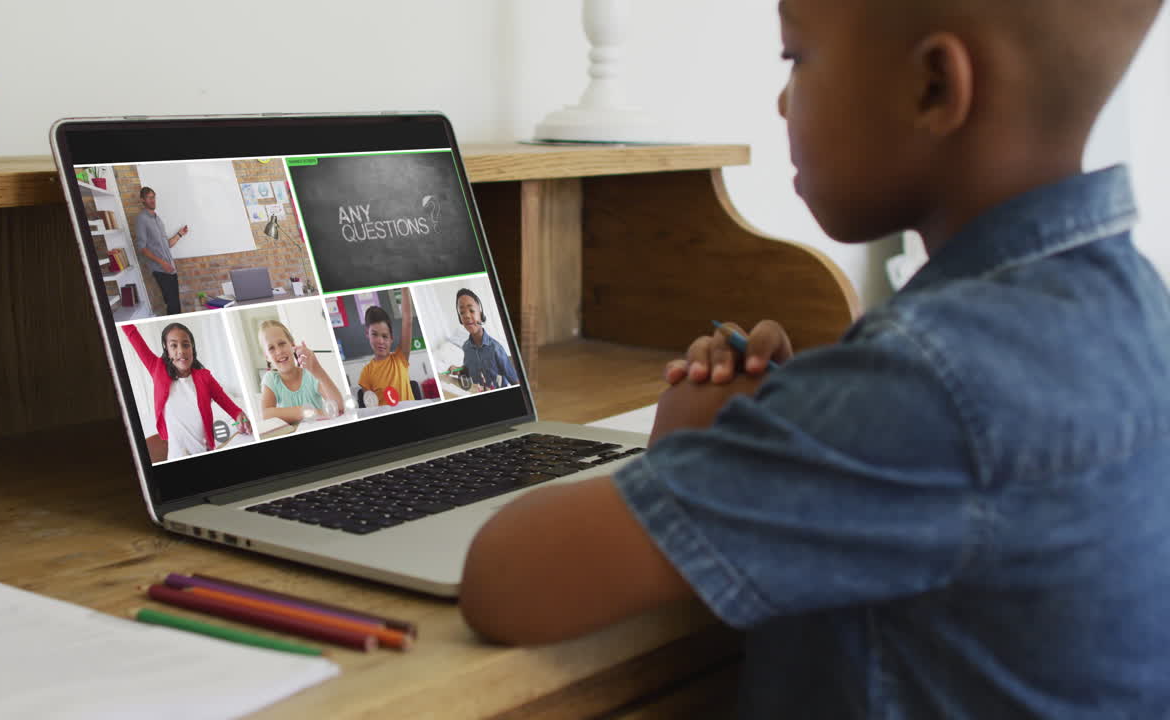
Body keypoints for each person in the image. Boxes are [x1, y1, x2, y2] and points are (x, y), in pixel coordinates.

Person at [459, 1, 1170, 717]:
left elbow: (506, 581)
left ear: (932, 86)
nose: (780, 99)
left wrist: (703, 449)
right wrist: (802, 420)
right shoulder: (1137, 308)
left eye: (795, 59)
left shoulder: (925, 383)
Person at [123, 322, 251, 459]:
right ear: (167, 350)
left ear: (192, 348)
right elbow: (132, 335)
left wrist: (240, 417)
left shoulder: (205, 377)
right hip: (176, 457)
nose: (181, 351)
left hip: (205, 451)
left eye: (185, 345)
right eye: (174, 345)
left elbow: (230, 406)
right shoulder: (157, 369)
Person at [258, 319, 345, 423]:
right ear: (267, 356)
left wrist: (316, 369)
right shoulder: (271, 379)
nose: (279, 351)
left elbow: (338, 407)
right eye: (271, 348)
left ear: (292, 345)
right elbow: (265, 414)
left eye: (282, 343)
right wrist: (304, 411)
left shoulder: (310, 374)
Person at [447, 288, 518, 391]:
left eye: (471, 310)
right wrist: (460, 370)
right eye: (462, 312)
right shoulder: (466, 346)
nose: (466, 315)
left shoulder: (496, 348)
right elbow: (469, 368)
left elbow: (515, 382)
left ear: (481, 314)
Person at [133, 186, 189, 315]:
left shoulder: (158, 219)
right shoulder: (141, 219)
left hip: (171, 268)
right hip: (161, 270)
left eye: (154, 197)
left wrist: (180, 234)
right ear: (142, 200)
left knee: (175, 304)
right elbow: (142, 247)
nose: (153, 200)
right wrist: (162, 263)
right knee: (172, 305)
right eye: (149, 198)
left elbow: (166, 244)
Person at [357, 288, 416, 405]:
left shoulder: (401, 357)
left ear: (391, 338)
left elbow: (407, 321)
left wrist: (405, 287)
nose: (380, 341)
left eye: (385, 336)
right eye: (374, 334)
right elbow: (371, 406)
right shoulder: (366, 373)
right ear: (367, 334)